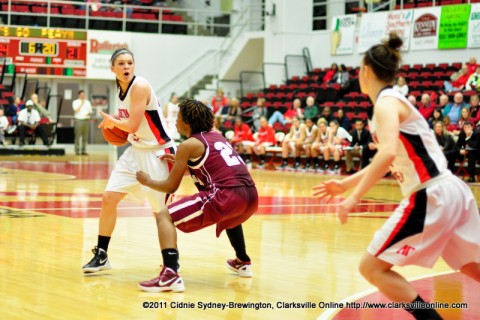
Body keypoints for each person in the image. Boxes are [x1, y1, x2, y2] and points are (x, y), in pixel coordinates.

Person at [313, 33, 480, 320]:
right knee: (471, 265)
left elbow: (387, 152)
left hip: (432, 193)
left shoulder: (386, 102)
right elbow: (390, 158)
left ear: (366, 71)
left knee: (371, 268)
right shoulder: (392, 101)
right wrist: (345, 183)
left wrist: (354, 197)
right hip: (451, 189)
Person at [135, 99, 258, 292]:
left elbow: (171, 186)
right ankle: (243, 262)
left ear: (188, 122)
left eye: (179, 117)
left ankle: (170, 274)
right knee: (232, 217)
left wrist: (147, 180)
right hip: (250, 195)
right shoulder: (217, 137)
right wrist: (181, 163)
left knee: (164, 216)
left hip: (226, 194)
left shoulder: (188, 145)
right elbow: (213, 164)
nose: (176, 121)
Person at [82, 48, 175, 273]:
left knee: (160, 212)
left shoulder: (139, 86)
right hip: (136, 150)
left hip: (158, 152)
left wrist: (112, 121)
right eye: (121, 64)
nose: (126, 67)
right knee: (108, 198)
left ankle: (171, 265)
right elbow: (131, 129)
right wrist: (115, 124)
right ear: (112, 69)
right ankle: (102, 254)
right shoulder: (119, 87)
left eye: (130, 63)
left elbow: (131, 125)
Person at [72, 90, 93, 155]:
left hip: (86, 120)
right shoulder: (75, 102)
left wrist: (88, 113)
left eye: (83, 95)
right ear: (79, 95)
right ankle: (77, 150)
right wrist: (82, 103)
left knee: (85, 136)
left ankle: (83, 150)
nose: (83, 96)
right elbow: (77, 110)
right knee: (78, 136)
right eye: (81, 95)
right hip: (79, 120)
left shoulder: (88, 102)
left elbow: (90, 111)